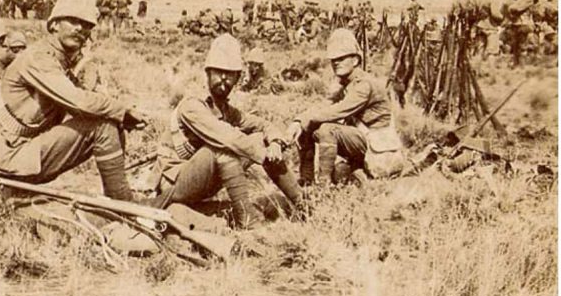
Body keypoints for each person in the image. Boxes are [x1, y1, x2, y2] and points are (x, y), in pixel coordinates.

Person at [0, 0, 149, 201]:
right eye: (74, 21)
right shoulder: (39, 58)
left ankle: (119, 195)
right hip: (7, 160)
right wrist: (122, 110)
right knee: (103, 124)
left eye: (87, 26)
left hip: (16, 154)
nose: (80, 29)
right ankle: (124, 204)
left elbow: (84, 104)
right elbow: (79, 101)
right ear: (54, 24)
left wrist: (119, 115)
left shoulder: (59, 61)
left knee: (109, 118)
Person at [151, 34, 303, 229]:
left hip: (202, 181)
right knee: (224, 148)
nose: (223, 78)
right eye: (218, 72)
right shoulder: (192, 106)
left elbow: (263, 124)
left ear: (238, 78)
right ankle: (247, 221)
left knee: (257, 138)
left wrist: (274, 142)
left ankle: (302, 203)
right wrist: (265, 156)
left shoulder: (226, 110)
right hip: (175, 183)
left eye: (230, 74)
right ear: (208, 73)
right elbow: (227, 137)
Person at [288, 29, 405, 186]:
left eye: (342, 58)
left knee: (327, 129)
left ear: (355, 60)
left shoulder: (364, 84)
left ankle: (324, 186)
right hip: (362, 139)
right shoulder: (345, 83)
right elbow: (324, 105)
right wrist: (299, 121)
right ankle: (306, 181)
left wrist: (305, 120)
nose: (336, 62)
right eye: (334, 59)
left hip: (377, 143)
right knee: (308, 126)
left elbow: (337, 111)